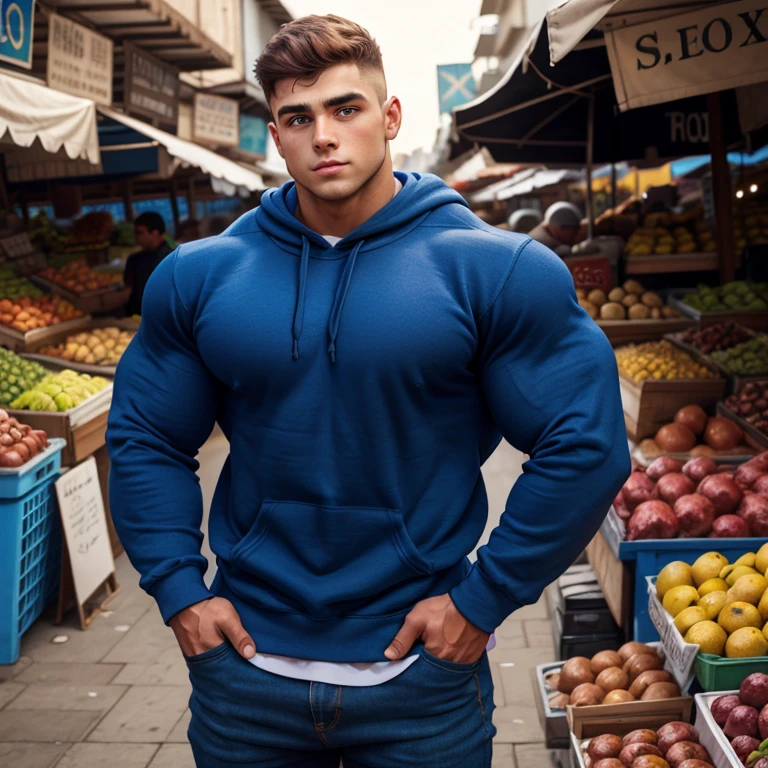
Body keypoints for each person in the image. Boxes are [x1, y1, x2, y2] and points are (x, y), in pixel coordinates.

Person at [107, 14, 630, 768]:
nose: (323, 135)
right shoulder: (200, 276)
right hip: (245, 679)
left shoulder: (494, 270)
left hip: (422, 682)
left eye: (346, 109)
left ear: (389, 118)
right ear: (276, 137)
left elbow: (585, 445)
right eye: (298, 117)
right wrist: (179, 591)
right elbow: (147, 438)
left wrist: (482, 602)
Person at [123, 212, 173, 316]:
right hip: (137, 319)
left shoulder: (174, 258)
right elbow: (127, 291)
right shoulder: (134, 260)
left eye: (139, 233)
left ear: (154, 233)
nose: (136, 237)